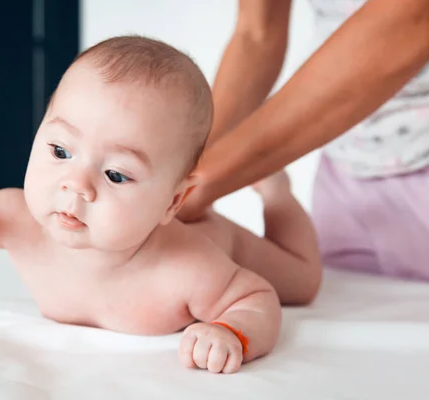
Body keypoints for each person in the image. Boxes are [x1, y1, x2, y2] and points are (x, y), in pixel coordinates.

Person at [0, 36, 321, 374]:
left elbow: (255, 298)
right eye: (61, 151)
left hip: (215, 237)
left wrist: (233, 331)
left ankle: (276, 193)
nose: (76, 185)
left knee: (302, 284)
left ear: (172, 201)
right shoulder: (19, 221)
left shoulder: (188, 269)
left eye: (116, 175)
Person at [178, 0, 429, 281]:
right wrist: (186, 168)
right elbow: (257, 36)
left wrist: (200, 182)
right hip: (343, 174)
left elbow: (411, 20)